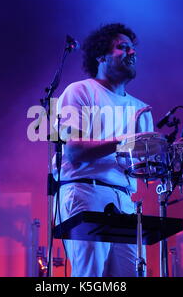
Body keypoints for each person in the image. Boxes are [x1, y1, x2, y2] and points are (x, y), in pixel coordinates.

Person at [54, 23, 154, 277]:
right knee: (91, 277)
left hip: (126, 199)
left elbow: (146, 169)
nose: (132, 53)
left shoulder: (141, 108)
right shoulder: (80, 91)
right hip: (86, 191)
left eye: (133, 49)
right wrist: (126, 141)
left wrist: (167, 156)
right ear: (101, 56)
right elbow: (74, 153)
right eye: (123, 47)